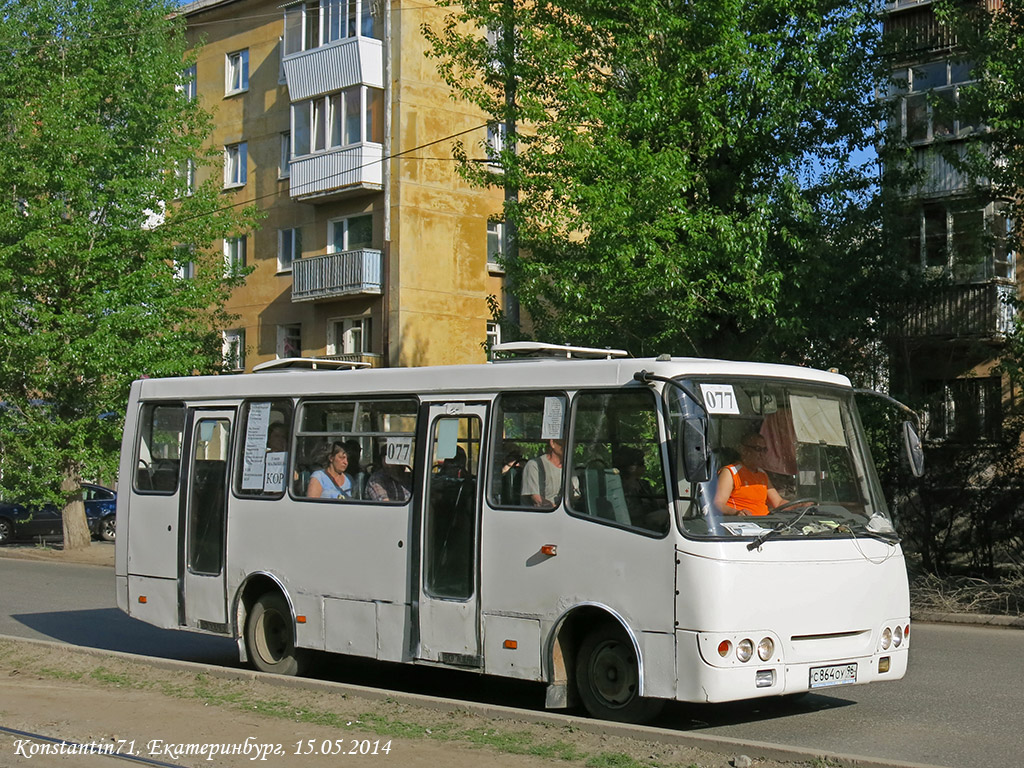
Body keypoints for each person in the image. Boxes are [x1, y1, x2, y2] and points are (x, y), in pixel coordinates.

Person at [714, 432, 785, 516]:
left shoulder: (762, 474)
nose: (762, 454)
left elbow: (778, 503)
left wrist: (801, 505)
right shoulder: (731, 472)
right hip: (742, 523)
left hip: (765, 523)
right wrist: (736, 512)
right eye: (758, 449)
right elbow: (718, 504)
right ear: (743, 450)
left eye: (764, 450)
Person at [521, 438, 565, 508]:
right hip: (541, 514)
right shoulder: (535, 465)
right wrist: (557, 509)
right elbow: (537, 500)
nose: (567, 447)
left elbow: (575, 496)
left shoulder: (568, 468)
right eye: (563, 444)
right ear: (552, 443)